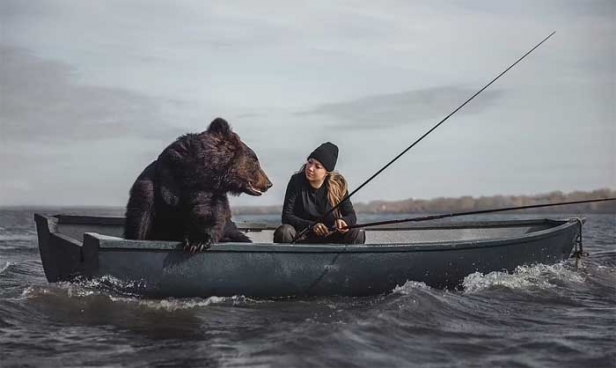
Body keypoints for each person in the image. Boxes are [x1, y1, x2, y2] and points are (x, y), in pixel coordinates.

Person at [274, 142, 366, 244]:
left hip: (331, 236)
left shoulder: (338, 185)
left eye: (317, 166)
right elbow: (287, 216)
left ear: (327, 172)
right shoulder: (296, 181)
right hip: (302, 235)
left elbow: (351, 215)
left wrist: (344, 221)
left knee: (358, 231)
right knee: (285, 231)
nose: (310, 168)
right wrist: (311, 225)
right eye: (310, 162)